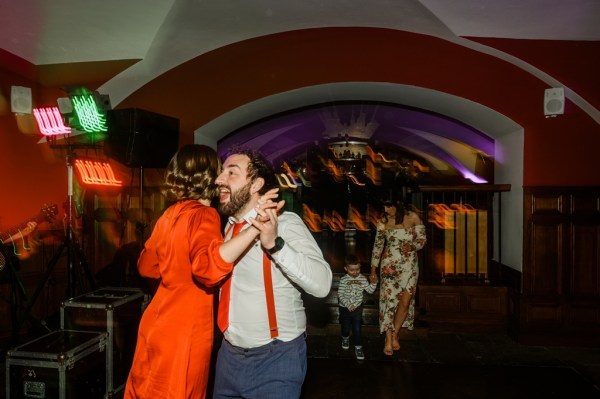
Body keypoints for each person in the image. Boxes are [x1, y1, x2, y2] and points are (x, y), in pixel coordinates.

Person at [123, 144, 281, 399]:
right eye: (220, 171)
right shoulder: (205, 215)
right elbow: (208, 270)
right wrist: (256, 227)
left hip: (155, 323)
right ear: (209, 176)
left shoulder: (169, 214)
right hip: (185, 331)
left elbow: (146, 267)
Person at [212, 147, 332, 399]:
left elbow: (322, 284)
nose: (219, 180)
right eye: (222, 172)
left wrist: (274, 245)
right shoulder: (229, 229)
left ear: (256, 184)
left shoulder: (287, 224)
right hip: (227, 358)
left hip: (275, 358)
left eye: (231, 173)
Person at [369, 198, 426, 356]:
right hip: (389, 265)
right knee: (389, 301)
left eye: (389, 206)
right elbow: (378, 245)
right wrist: (373, 269)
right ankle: (388, 338)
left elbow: (422, 239)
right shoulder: (383, 220)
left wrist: (413, 245)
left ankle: (396, 334)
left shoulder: (413, 217)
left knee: (405, 302)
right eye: (384, 206)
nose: (386, 209)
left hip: (410, 266)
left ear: (398, 203)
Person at [337, 253, 377, 360]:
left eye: (358, 269)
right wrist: (348, 304)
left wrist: (373, 283)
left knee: (357, 328)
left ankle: (358, 347)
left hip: (358, 308)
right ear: (346, 269)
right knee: (345, 327)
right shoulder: (344, 280)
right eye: (352, 270)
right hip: (345, 308)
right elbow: (340, 295)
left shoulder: (363, 279)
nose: (355, 272)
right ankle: (345, 338)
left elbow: (370, 291)